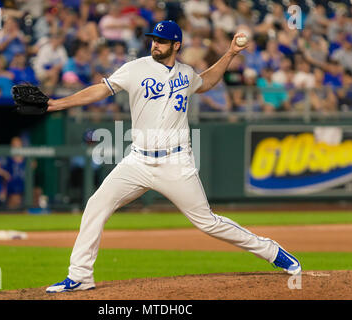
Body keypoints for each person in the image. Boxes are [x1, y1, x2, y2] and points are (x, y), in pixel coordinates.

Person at [45, 20, 301, 293]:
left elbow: (207, 81)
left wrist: (229, 54)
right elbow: (101, 89)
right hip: (138, 161)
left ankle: (272, 252)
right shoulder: (135, 68)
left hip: (175, 162)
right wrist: (58, 103)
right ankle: (80, 275)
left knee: (208, 222)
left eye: (162, 40)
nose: (156, 43)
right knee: (96, 205)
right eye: (154, 39)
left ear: (176, 45)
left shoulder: (187, 73)